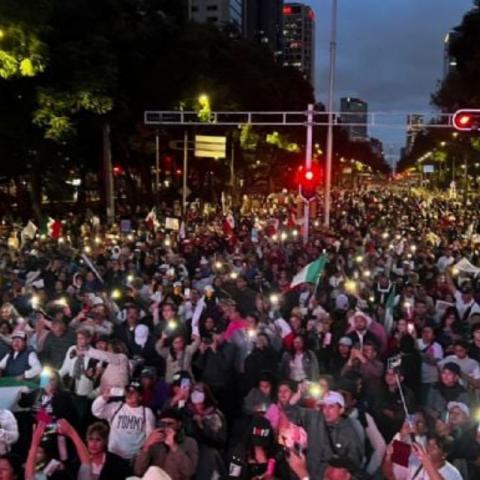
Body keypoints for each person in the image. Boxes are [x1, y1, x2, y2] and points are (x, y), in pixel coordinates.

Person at [285, 391, 364, 478]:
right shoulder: (315, 418)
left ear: (341, 410)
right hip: (309, 474)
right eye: (324, 406)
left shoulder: (349, 432)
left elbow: (354, 464)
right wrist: (295, 398)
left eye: (331, 406)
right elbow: (292, 414)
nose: (326, 411)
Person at [91, 380, 155, 460]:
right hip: (113, 455)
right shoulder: (116, 407)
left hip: (134, 458)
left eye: (133, 392)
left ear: (140, 397)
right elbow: (96, 411)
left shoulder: (147, 412)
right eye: (128, 392)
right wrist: (103, 398)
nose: (129, 395)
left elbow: (150, 435)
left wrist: (143, 454)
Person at [134, 409, 198, 480]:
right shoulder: (154, 440)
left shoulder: (190, 442)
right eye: (163, 424)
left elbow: (189, 472)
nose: (166, 427)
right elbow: (138, 471)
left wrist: (173, 446)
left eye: (170, 424)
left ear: (179, 424)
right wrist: (146, 446)